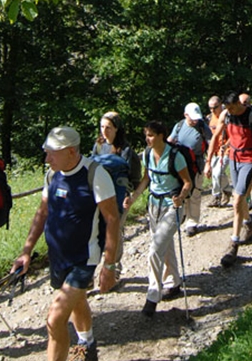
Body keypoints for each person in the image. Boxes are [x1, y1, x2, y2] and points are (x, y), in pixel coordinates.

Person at [12, 126, 119, 361]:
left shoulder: (95, 174)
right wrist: (26, 251)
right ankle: (87, 349)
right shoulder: (51, 175)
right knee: (77, 303)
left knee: (54, 320)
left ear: (72, 151)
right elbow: (42, 211)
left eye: (51, 152)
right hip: (58, 257)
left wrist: (109, 264)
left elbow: (111, 219)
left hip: (84, 259)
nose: (46, 157)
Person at [124, 121, 192, 316]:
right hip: (154, 206)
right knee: (164, 245)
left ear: (162, 135)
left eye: (151, 135)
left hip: (172, 207)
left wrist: (181, 197)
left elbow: (187, 182)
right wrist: (133, 198)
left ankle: (153, 294)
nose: (148, 139)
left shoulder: (175, 156)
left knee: (155, 248)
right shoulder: (147, 154)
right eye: (146, 135)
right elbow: (147, 179)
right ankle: (174, 282)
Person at [205, 90, 252, 268]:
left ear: (239, 104)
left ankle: (234, 245)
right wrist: (208, 162)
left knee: (237, 199)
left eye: (232, 108)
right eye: (228, 108)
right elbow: (216, 137)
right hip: (233, 158)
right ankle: (248, 224)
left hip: (249, 160)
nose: (230, 111)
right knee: (240, 200)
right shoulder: (226, 115)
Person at [90, 110, 141, 278]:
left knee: (115, 229)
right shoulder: (97, 146)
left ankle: (114, 269)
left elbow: (132, 176)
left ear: (117, 128)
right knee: (96, 230)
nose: (105, 131)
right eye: (102, 127)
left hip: (119, 196)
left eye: (109, 127)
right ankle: (93, 270)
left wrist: (129, 194)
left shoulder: (125, 149)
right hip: (99, 195)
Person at [168, 103, 212, 236]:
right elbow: (170, 141)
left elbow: (211, 143)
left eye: (196, 118)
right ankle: (185, 214)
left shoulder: (203, 127)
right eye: (192, 118)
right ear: (185, 115)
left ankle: (192, 222)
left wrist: (209, 163)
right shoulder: (179, 126)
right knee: (185, 192)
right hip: (181, 164)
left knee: (195, 193)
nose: (195, 120)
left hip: (197, 163)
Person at [206, 96, 231, 208]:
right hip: (215, 150)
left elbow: (234, 134)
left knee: (217, 172)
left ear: (221, 104)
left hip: (227, 149)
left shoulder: (228, 116)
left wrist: (226, 145)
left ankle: (217, 195)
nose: (212, 110)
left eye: (214, 107)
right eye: (210, 108)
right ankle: (227, 189)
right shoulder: (209, 118)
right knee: (215, 174)